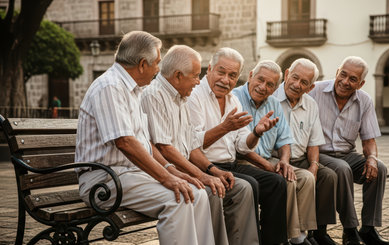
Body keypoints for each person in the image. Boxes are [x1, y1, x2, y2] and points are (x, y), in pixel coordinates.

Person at [75, 31, 214, 245]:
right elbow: (125, 143)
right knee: (180, 199)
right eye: (157, 63)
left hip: (128, 176)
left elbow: (143, 142)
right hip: (103, 181)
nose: (158, 69)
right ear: (142, 64)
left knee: (198, 193)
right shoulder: (110, 87)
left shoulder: (133, 90)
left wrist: (171, 171)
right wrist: (167, 178)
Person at [141, 45, 259, 245]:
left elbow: (191, 145)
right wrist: (204, 174)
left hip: (193, 165)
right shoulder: (154, 95)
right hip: (164, 170)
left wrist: (212, 171)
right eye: (196, 75)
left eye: (232, 75)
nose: (198, 81)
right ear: (178, 75)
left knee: (243, 188)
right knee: (211, 191)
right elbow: (164, 149)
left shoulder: (181, 98)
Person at [187, 47, 288, 245]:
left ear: (238, 77)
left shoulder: (233, 100)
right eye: (221, 72)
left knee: (276, 182)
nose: (226, 80)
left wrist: (256, 133)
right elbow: (193, 144)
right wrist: (224, 127)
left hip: (231, 164)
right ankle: (248, 240)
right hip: (204, 165)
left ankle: (274, 241)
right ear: (209, 69)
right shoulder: (195, 97)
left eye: (232, 75)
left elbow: (243, 146)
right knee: (250, 185)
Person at [309, 56, 389, 245]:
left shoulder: (364, 101)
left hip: (347, 154)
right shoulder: (316, 91)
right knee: (341, 169)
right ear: (337, 72)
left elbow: (368, 140)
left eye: (353, 79)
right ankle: (349, 230)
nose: (345, 82)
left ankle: (368, 229)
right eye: (343, 75)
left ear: (360, 84)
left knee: (380, 168)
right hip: (317, 153)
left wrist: (371, 158)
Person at [233, 60, 316, 245]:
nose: (263, 87)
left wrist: (285, 161)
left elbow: (285, 140)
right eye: (260, 80)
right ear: (251, 76)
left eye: (270, 84)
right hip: (244, 160)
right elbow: (237, 147)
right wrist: (268, 166)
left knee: (304, 177)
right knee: (285, 180)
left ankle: (300, 234)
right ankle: (288, 237)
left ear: (275, 88)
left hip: (268, 158)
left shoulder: (273, 103)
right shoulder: (234, 98)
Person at [272, 58, 338, 245]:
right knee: (297, 178)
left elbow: (314, 143)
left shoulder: (311, 105)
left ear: (310, 88)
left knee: (328, 176)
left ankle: (317, 232)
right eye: (294, 78)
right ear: (286, 75)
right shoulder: (271, 99)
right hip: (275, 158)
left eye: (304, 83)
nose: (297, 85)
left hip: (300, 158)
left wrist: (314, 167)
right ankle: (298, 236)